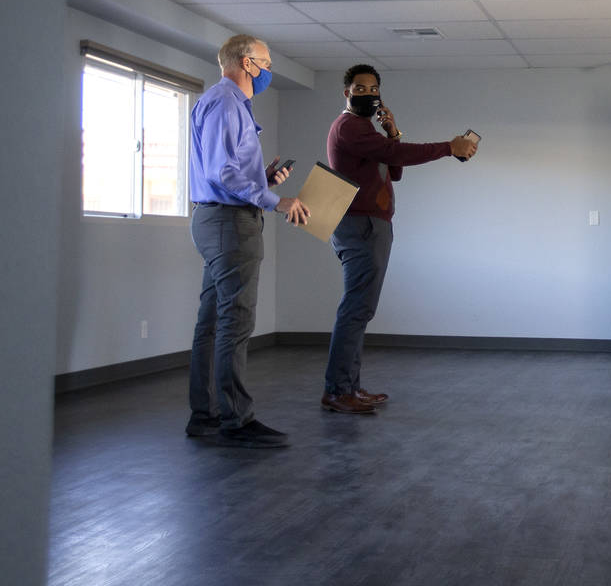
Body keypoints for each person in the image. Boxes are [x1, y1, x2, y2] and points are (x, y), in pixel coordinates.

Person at [321, 64, 478, 414]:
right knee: (356, 309)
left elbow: (394, 171)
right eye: (360, 88)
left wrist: (392, 131)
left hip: (370, 224)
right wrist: (448, 147)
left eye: (373, 88)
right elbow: (397, 157)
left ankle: (349, 386)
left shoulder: (365, 129)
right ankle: (337, 390)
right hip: (359, 225)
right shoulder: (347, 126)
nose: (367, 93)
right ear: (346, 93)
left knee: (359, 309)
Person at [186, 34, 310, 447]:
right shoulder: (225, 102)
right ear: (246, 62)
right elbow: (223, 174)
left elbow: (227, 170)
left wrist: (264, 178)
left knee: (212, 321)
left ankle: (205, 416)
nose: (270, 69)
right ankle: (236, 420)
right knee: (235, 323)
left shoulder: (225, 103)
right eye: (267, 62)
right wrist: (276, 200)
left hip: (216, 219)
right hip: (229, 223)